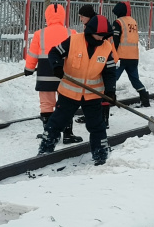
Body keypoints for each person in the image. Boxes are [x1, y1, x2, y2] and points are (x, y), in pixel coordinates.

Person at [38, 15, 116, 165]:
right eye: (99, 35)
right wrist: (57, 66)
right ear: (90, 32)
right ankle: (45, 150)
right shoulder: (73, 40)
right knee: (57, 122)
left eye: (104, 36)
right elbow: (54, 53)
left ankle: (100, 154)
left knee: (97, 126)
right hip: (69, 92)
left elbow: (110, 71)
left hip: (92, 95)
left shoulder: (107, 47)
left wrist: (110, 91)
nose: (101, 39)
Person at [24, 4, 82, 144]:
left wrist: (29, 68)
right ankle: (68, 134)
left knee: (46, 104)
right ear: (63, 16)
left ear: (47, 16)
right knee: (66, 104)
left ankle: (48, 134)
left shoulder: (40, 34)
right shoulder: (71, 33)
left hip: (45, 73)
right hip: (65, 74)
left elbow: (32, 54)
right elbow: (76, 55)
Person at [112, 1, 150, 107]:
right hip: (133, 56)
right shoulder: (133, 21)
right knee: (134, 79)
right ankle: (144, 97)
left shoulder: (118, 22)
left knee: (112, 78)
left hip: (121, 56)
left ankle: (109, 99)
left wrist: (112, 54)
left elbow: (115, 40)